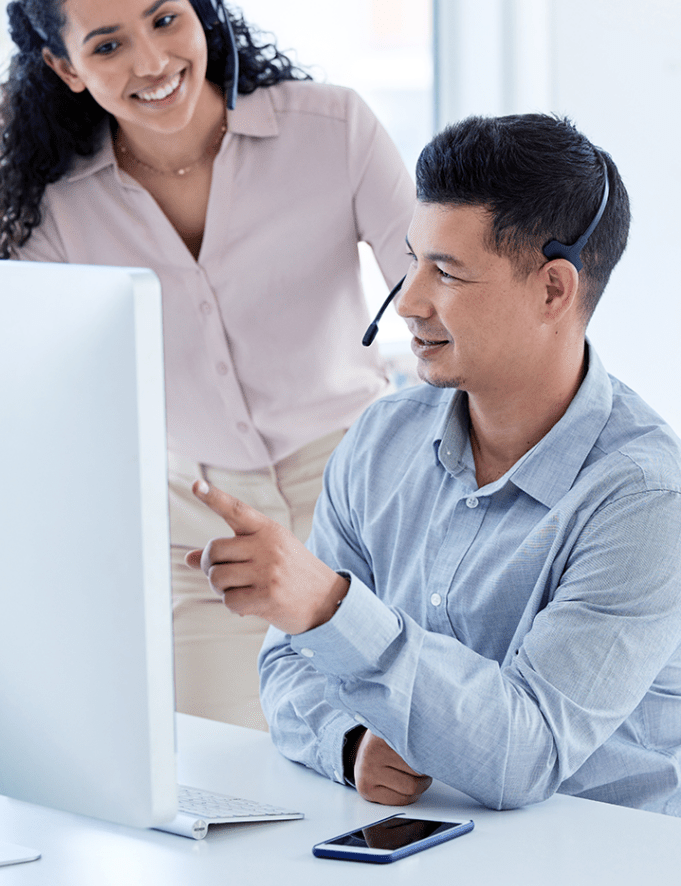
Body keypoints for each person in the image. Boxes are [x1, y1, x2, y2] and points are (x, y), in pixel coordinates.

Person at [0, 0, 415, 730]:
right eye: (106, 45)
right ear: (65, 68)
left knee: (392, 758)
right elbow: (34, 400)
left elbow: (437, 299)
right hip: (199, 538)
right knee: (220, 781)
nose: (152, 61)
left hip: (363, 499)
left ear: (198, 8)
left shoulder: (334, 130)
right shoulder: (58, 218)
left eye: (165, 19)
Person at [186, 113, 681, 814]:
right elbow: (290, 661)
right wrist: (351, 740)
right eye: (411, 260)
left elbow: (523, 756)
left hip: (593, 860)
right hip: (423, 847)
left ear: (552, 290)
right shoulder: (383, 438)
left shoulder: (643, 498)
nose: (409, 303)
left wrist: (331, 607)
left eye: (446, 272)